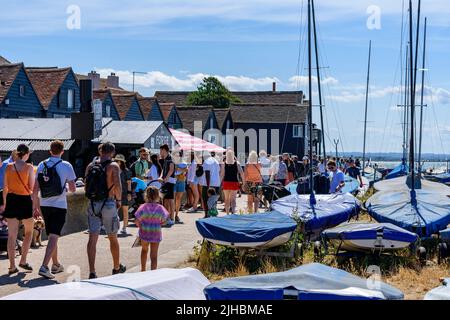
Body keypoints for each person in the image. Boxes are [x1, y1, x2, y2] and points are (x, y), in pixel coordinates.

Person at [33, 140, 77, 279]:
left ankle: (56, 264)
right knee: (54, 236)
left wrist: (35, 206)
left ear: (50, 150)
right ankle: (44, 266)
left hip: (44, 204)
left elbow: (35, 189)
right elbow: (73, 189)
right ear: (62, 151)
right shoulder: (66, 165)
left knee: (53, 234)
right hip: (59, 205)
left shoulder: (41, 164)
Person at [84, 142, 126, 279]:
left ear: (100, 151)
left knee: (92, 237)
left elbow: (86, 187)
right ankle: (116, 267)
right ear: (112, 153)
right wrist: (119, 201)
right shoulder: (114, 166)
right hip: (108, 202)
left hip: (93, 204)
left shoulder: (90, 166)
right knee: (112, 237)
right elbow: (118, 186)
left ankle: (92, 271)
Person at [0, 144, 35, 275]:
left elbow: (5, 188)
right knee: (29, 232)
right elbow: (31, 187)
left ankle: (12, 266)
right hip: (24, 201)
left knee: (11, 235)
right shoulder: (29, 167)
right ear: (25, 154)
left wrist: (5, 203)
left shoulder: (8, 167)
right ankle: (23, 260)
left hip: (11, 200)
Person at [134, 186, 169, 271]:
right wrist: (160, 223)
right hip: (156, 233)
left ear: (146, 196)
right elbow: (165, 221)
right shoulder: (160, 208)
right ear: (158, 196)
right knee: (154, 255)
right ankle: (153, 273)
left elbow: (136, 221)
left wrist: (141, 225)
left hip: (144, 233)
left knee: (144, 250)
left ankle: (143, 270)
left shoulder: (142, 207)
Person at [221, 149, 245, 214]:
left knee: (226, 199)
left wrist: (219, 183)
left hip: (226, 182)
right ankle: (233, 212)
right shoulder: (237, 163)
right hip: (234, 182)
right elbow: (242, 173)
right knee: (233, 199)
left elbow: (222, 174)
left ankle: (227, 213)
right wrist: (244, 183)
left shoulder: (224, 164)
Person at [199, 152, 221, 218]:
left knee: (205, 199)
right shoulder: (216, 161)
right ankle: (213, 215)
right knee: (214, 201)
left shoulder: (206, 162)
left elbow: (207, 174)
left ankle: (207, 215)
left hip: (208, 184)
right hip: (216, 183)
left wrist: (208, 187)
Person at [114, 154, 132, 235]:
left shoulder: (126, 171)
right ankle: (115, 227)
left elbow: (129, 183)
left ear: (122, 162)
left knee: (125, 211)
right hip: (115, 193)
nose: (117, 162)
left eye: (118, 161)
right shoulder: (114, 170)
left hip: (124, 193)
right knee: (114, 211)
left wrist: (129, 193)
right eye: (116, 161)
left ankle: (124, 227)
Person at [158, 144, 176, 225]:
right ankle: (166, 217)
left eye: (161, 150)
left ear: (164, 150)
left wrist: (166, 178)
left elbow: (171, 170)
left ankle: (172, 218)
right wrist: (161, 177)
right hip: (166, 182)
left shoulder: (170, 158)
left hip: (170, 181)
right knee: (165, 200)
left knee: (171, 200)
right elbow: (163, 170)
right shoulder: (165, 159)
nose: (160, 152)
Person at [173, 151, 188, 224]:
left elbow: (186, 170)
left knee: (178, 199)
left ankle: (176, 215)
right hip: (174, 180)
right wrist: (182, 170)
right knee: (173, 198)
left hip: (181, 180)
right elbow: (183, 170)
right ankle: (172, 215)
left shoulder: (184, 162)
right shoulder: (172, 162)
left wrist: (179, 169)